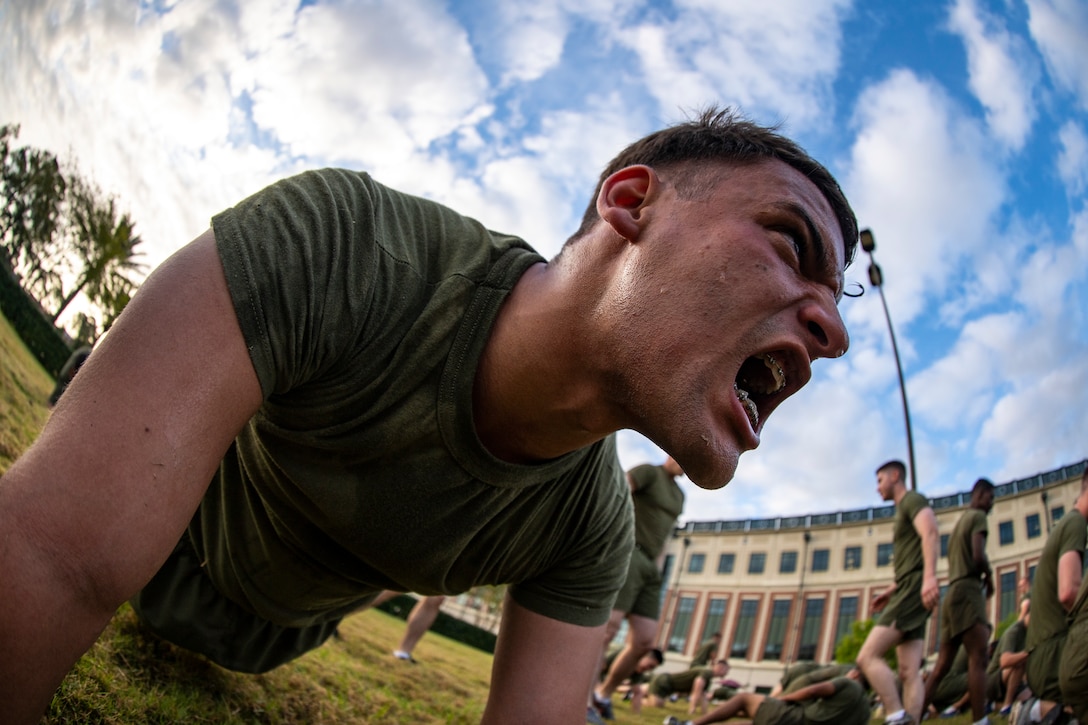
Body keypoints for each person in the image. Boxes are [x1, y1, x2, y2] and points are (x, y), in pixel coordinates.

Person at [0, 107, 858, 725]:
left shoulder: (591, 528)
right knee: (104, 422)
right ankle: (96, 382)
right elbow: (54, 555)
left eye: (837, 297)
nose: (835, 332)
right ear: (631, 203)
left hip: (264, 635)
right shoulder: (349, 245)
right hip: (171, 541)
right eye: (791, 244)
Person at [592, 456, 686, 719]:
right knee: (608, 628)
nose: (682, 463)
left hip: (652, 569)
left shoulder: (679, 496)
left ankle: (603, 693)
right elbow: (618, 487)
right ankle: (585, 697)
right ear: (669, 453)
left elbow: (666, 534)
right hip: (630, 551)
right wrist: (612, 535)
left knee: (644, 640)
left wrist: (659, 565)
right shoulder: (649, 472)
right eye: (679, 457)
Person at [856, 460, 940, 725]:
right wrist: (892, 590)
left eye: (880, 480)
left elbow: (931, 532)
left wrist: (929, 578)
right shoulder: (902, 508)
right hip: (907, 588)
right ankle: (912, 721)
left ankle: (896, 716)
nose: (877, 488)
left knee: (867, 656)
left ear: (895, 476)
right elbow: (914, 556)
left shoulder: (912, 500)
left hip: (914, 589)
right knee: (908, 671)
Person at [1016, 468, 1088, 725]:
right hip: (1053, 658)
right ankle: (1038, 711)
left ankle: (1047, 712)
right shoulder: (1076, 523)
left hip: (1046, 657)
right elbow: (1069, 593)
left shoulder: (1070, 524)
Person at [923, 478, 996, 725]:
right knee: (979, 657)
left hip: (951, 594)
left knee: (942, 665)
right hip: (967, 590)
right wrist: (990, 576)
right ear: (980, 494)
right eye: (990, 498)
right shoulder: (977, 517)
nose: (991, 504)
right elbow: (977, 555)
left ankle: (913, 717)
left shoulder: (959, 525)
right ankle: (980, 720)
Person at [663, 667, 871, 725]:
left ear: (857, 674)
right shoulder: (866, 711)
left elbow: (815, 690)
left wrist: (785, 699)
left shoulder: (848, 683)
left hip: (795, 719)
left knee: (744, 699)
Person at [988, 596, 1030, 717]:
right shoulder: (1014, 631)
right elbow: (1004, 661)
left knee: (1030, 699)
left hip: (1012, 681)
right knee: (1020, 661)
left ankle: (994, 706)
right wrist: (1028, 653)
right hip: (993, 680)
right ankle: (1006, 707)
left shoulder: (1031, 632)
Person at [644, 659, 730, 715]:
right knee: (656, 705)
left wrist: (705, 713)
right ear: (721, 668)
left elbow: (703, 697)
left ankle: (639, 690)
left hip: (670, 688)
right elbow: (696, 690)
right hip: (664, 681)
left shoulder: (708, 678)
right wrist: (691, 709)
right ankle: (636, 695)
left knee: (657, 702)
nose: (727, 673)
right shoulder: (706, 673)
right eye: (726, 670)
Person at [598, 646, 663, 714]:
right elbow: (598, 669)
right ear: (644, 656)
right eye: (650, 666)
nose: (648, 669)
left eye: (652, 668)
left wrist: (636, 714)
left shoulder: (638, 671)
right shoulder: (623, 656)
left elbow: (637, 692)